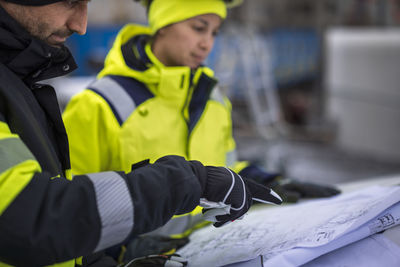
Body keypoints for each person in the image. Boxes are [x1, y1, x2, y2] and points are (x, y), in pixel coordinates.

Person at [0, 0, 283, 266]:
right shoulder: (99, 105)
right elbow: (50, 214)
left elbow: (221, 167)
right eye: (198, 28)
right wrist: (121, 248)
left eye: (214, 32)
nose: (207, 43)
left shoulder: (214, 98)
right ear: (163, 24)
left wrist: (264, 181)